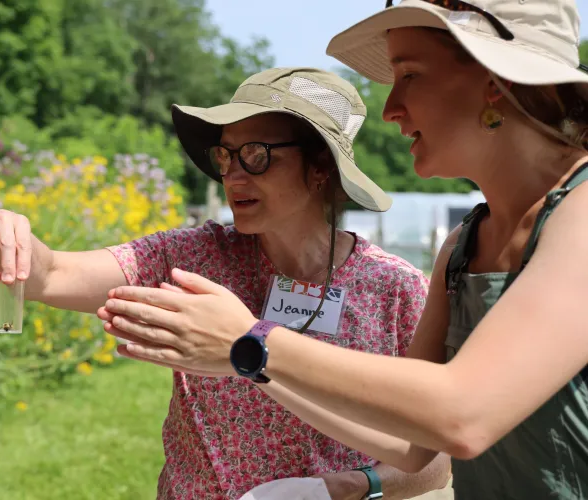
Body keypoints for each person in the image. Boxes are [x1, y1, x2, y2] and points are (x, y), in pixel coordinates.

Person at [97, 1, 588, 498]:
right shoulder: (464, 246)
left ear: (494, 79)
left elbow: (463, 415)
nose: (391, 108)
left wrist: (253, 339)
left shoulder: (582, 215)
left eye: (410, 75)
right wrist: (252, 362)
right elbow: (413, 443)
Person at [0, 67, 452, 499]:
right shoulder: (193, 256)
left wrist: (353, 487)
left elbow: (435, 459)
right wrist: (12, 230)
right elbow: (56, 274)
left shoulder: (394, 291)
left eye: (256, 155)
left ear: (320, 167)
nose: (233, 175)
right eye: (226, 155)